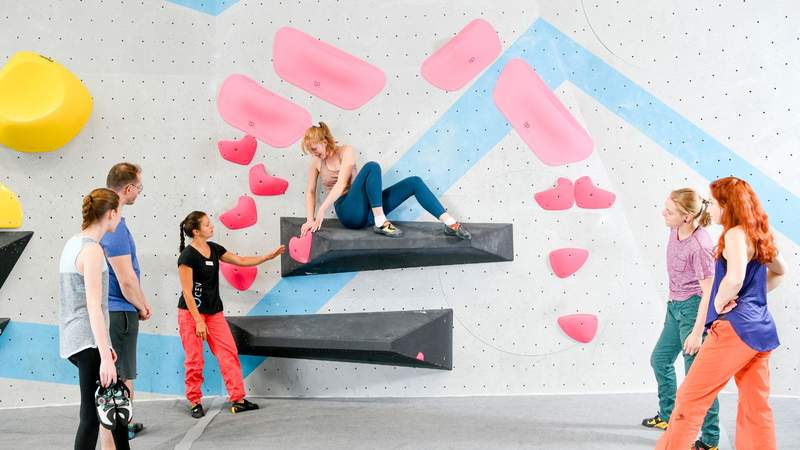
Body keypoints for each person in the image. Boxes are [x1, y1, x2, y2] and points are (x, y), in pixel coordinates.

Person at [656, 177, 787, 450]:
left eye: (714, 203)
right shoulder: (756, 232)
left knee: (689, 400)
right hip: (760, 331)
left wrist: (717, 305)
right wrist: (748, 299)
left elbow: (735, 278)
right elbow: (779, 272)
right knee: (755, 407)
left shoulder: (734, 234)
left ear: (727, 205)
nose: (710, 207)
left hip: (734, 331)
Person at [177, 211, 285, 418]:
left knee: (228, 354)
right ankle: (194, 401)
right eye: (207, 225)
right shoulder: (187, 257)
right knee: (195, 360)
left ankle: (237, 399)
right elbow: (187, 293)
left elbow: (241, 260)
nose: (212, 227)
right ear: (196, 231)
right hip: (191, 315)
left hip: (214, 313)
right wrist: (198, 320)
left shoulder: (215, 249)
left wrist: (267, 256)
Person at [642, 189, 719, 450]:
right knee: (660, 360)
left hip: (693, 310)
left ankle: (710, 439)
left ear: (687, 218)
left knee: (698, 379)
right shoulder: (675, 229)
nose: (664, 213)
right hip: (674, 307)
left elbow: (710, 292)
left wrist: (698, 332)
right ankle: (668, 417)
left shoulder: (701, 246)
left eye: (670, 211)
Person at [299, 122, 471, 239]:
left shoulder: (346, 151)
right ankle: (381, 222)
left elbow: (343, 181)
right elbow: (311, 192)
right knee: (372, 166)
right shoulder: (315, 163)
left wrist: (321, 209)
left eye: (314, 148)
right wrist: (310, 218)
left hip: (368, 212)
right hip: (348, 212)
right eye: (310, 150)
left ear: (324, 141)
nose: (313, 153)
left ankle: (450, 224)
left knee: (414, 182)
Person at [58, 188, 130, 450]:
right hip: (87, 340)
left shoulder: (73, 243)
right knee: (90, 416)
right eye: (119, 213)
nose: (120, 219)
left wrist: (105, 348)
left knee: (115, 402)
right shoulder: (92, 251)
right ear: (111, 214)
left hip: (76, 338)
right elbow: (93, 308)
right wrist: (104, 355)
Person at [99, 162, 151, 441]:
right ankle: (119, 431)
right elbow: (126, 278)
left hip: (115, 311)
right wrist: (142, 305)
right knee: (121, 378)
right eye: (139, 188)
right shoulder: (116, 226)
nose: (138, 194)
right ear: (128, 188)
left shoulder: (104, 220)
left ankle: (122, 426)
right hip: (120, 311)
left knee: (118, 377)